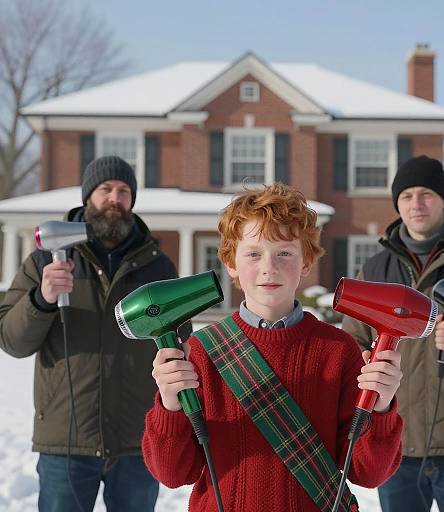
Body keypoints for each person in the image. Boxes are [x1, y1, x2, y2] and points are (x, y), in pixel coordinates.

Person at [142, 182, 404, 512]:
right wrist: (170, 404)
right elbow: (173, 472)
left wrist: (380, 407)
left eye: (285, 253)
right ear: (231, 264)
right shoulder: (201, 352)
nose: (269, 266)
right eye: (253, 253)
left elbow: (368, 473)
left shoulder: (339, 351)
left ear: (306, 263)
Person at [0, 155, 191, 512]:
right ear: (89, 196)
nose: (114, 199)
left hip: (137, 438)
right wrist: (41, 299)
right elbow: (12, 341)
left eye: (123, 191)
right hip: (67, 439)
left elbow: (181, 342)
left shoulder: (156, 264)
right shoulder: (47, 259)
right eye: (105, 189)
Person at [342, 155, 444, 512]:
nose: (416, 204)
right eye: (406, 196)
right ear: (397, 204)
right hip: (396, 444)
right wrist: (362, 362)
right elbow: (351, 343)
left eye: (426, 194)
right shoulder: (375, 268)